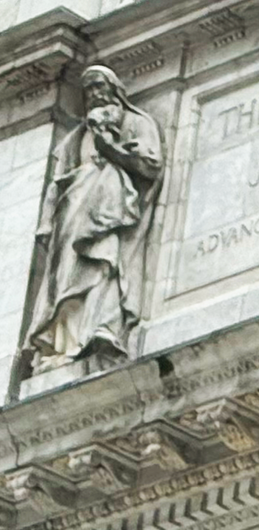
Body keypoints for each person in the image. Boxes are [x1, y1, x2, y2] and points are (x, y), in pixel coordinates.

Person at [24, 67, 161, 374]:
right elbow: (57, 184)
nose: (95, 94)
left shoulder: (137, 123)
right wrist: (47, 221)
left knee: (107, 262)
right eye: (88, 91)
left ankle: (102, 328)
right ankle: (65, 342)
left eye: (100, 86)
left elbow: (151, 164)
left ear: (115, 90)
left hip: (112, 212)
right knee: (65, 278)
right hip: (72, 216)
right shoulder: (76, 137)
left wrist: (112, 150)